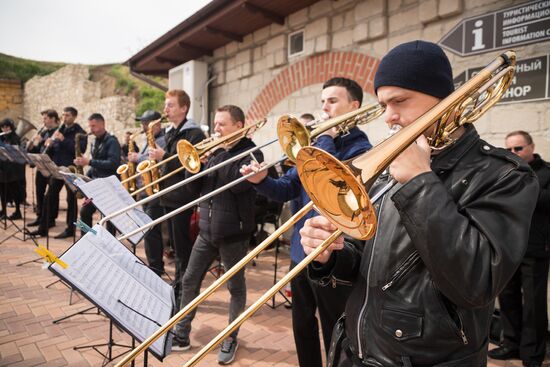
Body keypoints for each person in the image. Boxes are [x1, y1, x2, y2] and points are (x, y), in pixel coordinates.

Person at [299, 40, 540, 367]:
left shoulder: (504, 174)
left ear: (446, 98)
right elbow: (363, 259)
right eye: (383, 104)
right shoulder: (385, 166)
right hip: (356, 351)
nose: (389, 117)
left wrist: (418, 182)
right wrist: (332, 255)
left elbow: (478, 281)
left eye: (399, 101)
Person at [240, 77, 372, 367]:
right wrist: (261, 180)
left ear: (354, 106)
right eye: (323, 101)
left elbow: (335, 185)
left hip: (334, 256)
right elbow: (286, 188)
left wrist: (323, 140)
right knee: (302, 326)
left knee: (334, 331)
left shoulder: (361, 148)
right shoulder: (312, 147)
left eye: (333, 101)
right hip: (301, 253)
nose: (325, 107)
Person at [171, 105, 262, 364]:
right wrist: (195, 166)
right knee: (189, 280)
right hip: (207, 230)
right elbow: (195, 189)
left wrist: (219, 154)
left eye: (222, 124)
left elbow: (236, 184)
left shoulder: (251, 153)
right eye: (215, 124)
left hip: (234, 234)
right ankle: (182, 333)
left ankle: (231, 336)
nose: (216, 130)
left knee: (235, 287)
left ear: (239, 124)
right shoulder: (214, 153)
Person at [488, 130, 550, 367]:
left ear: (531, 147)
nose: (513, 153)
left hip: (535, 249)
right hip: (508, 247)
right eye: (509, 150)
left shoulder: (546, 172)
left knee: (534, 304)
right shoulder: (505, 172)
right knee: (507, 298)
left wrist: (520, 187)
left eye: (518, 148)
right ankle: (510, 344)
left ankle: (532, 354)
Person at [148, 89, 205, 304]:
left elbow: (191, 166)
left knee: (182, 248)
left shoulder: (194, 133)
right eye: (166, 105)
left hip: (182, 196)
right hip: (168, 195)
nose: (165, 109)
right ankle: (180, 284)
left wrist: (165, 157)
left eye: (170, 105)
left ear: (183, 108)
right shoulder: (171, 132)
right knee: (175, 245)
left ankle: (185, 289)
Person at [28, 107, 87, 238]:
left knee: (71, 200)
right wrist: (50, 142)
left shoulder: (80, 132)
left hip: (71, 169)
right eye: (63, 115)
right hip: (57, 168)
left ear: (74, 117)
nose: (64, 117)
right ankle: (43, 227)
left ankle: (70, 229)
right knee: (49, 197)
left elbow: (80, 149)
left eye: (68, 115)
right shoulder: (61, 129)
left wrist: (63, 140)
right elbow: (56, 148)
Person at [128, 110, 166, 276]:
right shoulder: (150, 139)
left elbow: (154, 160)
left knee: (152, 232)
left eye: (145, 123)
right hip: (146, 190)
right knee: (150, 232)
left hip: (155, 190)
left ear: (155, 124)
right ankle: (155, 265)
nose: (142, 127)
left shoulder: (163, 139)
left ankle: (156, 268)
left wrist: (138, 158)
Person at [74, 113, 120, 235]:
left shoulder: (112, 142)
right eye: (90, 126)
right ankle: (88, 238)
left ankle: (112, 241)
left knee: (109, 218)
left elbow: (113, 163)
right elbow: (94, 167)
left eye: (94, 126)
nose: (91, 130)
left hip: (108, 186)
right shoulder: (94, 141)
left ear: (103, 124)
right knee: (84, 212)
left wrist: (89, 161)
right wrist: (83, 178)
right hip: (96, 185)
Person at [26, 109, 60, 228]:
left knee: (52, 195)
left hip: (52, 166)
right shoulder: (45, 133)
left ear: (52, 119)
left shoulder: (58, 132)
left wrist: (49, 143)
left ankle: (51, 219)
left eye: (45, 118)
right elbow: (38, 151)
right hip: (41, 166)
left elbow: (57, 150)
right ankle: (40, 216)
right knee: (39, 192)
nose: (43, 121)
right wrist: (32, 146)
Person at [0, 118, 25, 220]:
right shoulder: (2, 137)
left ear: (11, 127)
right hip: (3, 168)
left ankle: (18, 211)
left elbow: (15, 152)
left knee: (14, 191)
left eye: (7, 127)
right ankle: (3, 210)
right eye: (3, 127)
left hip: (13, 170)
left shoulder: (15, 138)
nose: (5, 129)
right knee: (2, 191)